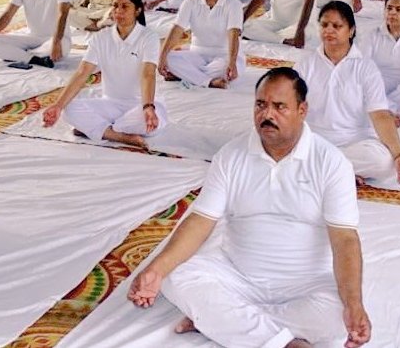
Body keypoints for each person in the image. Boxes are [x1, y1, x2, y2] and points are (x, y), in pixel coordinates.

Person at [128, 67, 372, 348]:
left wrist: (354, 303)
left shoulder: (331, 162)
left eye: (280, 107)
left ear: (302, 110)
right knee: (176, 275)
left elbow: (344, 240)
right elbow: (200, 222)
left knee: (338, 316)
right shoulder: (231, 155)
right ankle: (284, 342)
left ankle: (222, 323)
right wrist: (156, 271)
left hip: (303, 284)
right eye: (261, 105)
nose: (267, 115)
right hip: (236, 275)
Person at [294, 1, 400, 182]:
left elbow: (380, 115)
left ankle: (322, 169)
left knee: (385, 163)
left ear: (350, 31)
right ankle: (340, 171)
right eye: (324, 25)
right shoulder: (305, 64)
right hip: (314, 139)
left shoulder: (365, 67)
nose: (329, 30)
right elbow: (290, 106)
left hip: (354, 141)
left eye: (337, 26)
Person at [43, 0, 166, 149]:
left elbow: (148, 74)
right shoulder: (101, 37)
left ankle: (97, 128)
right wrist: (58, 106)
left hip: (140, 106)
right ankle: (118, 135)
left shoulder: (149, 37)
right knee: (68, 108)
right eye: (115, 6)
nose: (118, 11)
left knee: (151, 123)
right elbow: (82, 72)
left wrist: (148, 107)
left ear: (137, 10)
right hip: (110, 105)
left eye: (125, 6)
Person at [159, 0, 244, 89]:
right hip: (197, 54)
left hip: (223, 56)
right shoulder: (191, 1)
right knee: (167, 58)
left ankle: (186, 75)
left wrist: (232, 63)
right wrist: (162, 56)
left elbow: (233, 35)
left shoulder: (233, 4)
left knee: (225, 70)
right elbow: (177, 29)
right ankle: (209, 81)